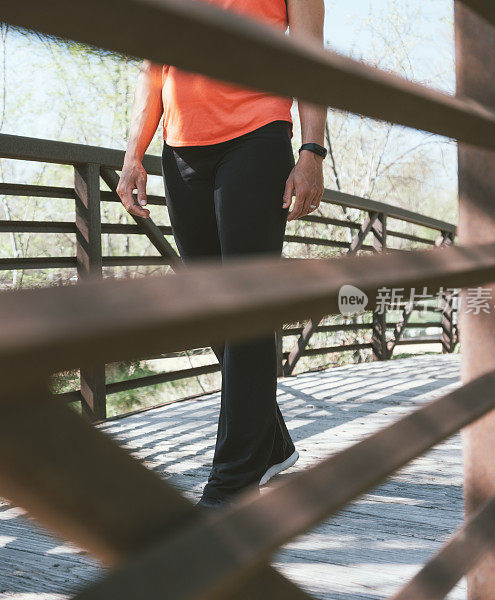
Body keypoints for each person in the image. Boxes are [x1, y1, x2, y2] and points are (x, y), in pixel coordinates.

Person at [116, 0, 326, 509]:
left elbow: (310, 62)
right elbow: (154, 73)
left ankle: (232, 481)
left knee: (244, 303)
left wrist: (312, 152)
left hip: (256, 137)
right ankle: (270, 441)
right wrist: (132, 156)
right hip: (182, 150)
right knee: (212, 306)